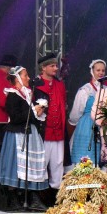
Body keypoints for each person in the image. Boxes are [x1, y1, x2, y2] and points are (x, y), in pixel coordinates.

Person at [0, 66, 49, 211]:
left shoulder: (26, 94)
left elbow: (28, 115)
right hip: (17, 136)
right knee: (16, 167)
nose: (28, 78)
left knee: (30, 166)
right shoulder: (13, 95)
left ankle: (32, 198)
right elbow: (15, 117)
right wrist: (33, 111)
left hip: (29, 134)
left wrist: (37, 112)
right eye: (25, 75)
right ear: (18, 78)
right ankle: (14, 200)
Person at [32, 53, 66, 193]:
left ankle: (56, 194)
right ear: (43, 68)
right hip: (43, 131)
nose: (56, 68)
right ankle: (39, 193)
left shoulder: (59, 85)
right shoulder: (35, 85)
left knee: (58, 163)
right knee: (41, 162)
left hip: (58, 131)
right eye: (52, 66)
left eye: (56, 65)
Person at [67, 59, 106, 170]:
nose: (101, 73)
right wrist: (73, 123)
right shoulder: (85, 90)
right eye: (98, 70)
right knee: (86, 155)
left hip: (103, 124)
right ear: (92, 71)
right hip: (87, 125)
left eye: (103, 70)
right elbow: (75, 113)